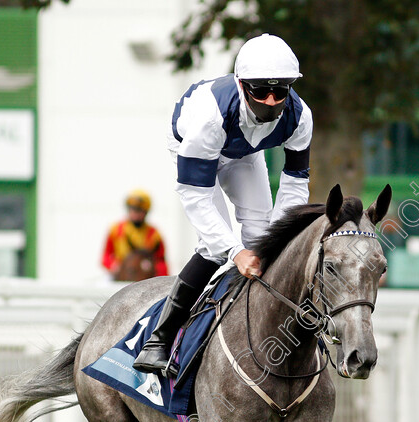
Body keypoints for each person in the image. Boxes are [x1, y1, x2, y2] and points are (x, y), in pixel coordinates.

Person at [133, 33, 313, 374]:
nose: (272, 101)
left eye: (281, 91)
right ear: (242, 85)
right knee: (216, 245)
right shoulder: (209, 118)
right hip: (194, 147)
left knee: (262, 236)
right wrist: (235, 252)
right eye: (261, 91)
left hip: (244, 152)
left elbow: (294, 186)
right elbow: (195, 195)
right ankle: (159, 338)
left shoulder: (301, 117)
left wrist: (276, 240)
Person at [102, 190, 168, 282]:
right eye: (132, 209)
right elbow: (105, 256)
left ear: (146, 212)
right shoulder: (116, 229)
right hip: (120, 274)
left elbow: (161, 262)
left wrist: (161, 279)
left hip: (145, 278)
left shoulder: (154, 234)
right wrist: (113, 266)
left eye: (139, 210)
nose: (135, 214)